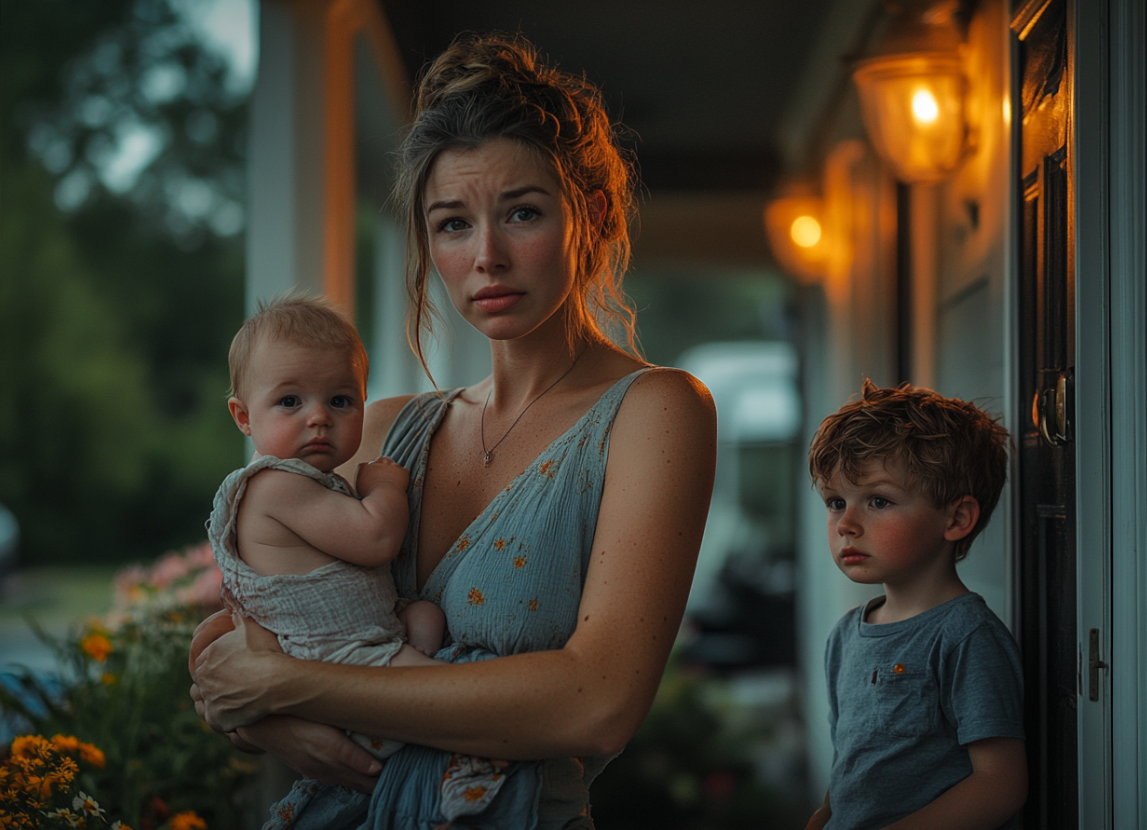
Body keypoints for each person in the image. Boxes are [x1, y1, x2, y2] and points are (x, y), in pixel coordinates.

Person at [190, 33, 718, 829]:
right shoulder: (382, 429)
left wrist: (288, 688)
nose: (488, 257)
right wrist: (252, 711)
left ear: (593, 214)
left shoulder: (655, 412)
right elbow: (237, 646)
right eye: (452, 225)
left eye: (523, 213)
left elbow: (597, 702)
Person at [210, 296, 515, 823]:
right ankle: (465, 763)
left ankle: (399, 723)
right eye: (290, 402)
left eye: (341, 400)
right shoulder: (274, 486)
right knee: (442, 694)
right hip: (331, 654)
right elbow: (375, 539)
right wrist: (385, 487)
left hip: (366, 632)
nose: (319, 418)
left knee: (424, 615)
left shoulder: (312, 485)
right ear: (243, 416)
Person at [803, 381, 1027, 830]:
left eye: (878, 501)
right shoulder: (846, 635)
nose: (846, 524)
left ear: (957, 518)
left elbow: (1000, 784)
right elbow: (854, 762)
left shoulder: (966, 636)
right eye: (836, 502)